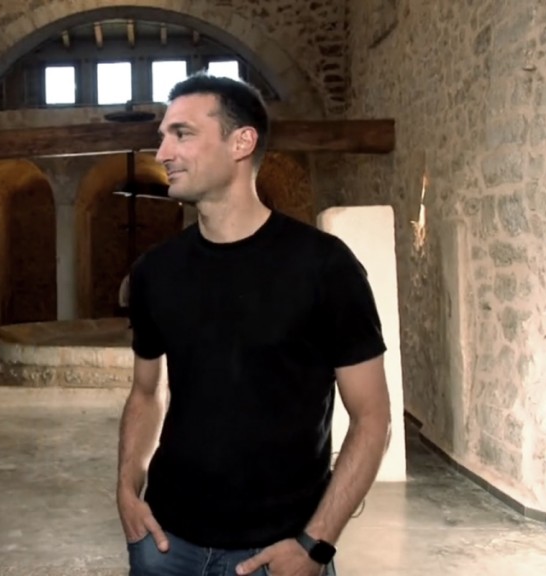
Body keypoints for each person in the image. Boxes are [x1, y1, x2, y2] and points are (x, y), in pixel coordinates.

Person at [116, 73, 392, 576]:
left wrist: (315, 545)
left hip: (278, 552)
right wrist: (127, 488)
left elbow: (372, 417)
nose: (162, 152)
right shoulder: (155, 271)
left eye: (182, 133)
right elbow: (145, 391)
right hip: (165, 544)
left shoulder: (325, 267)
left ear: (242, 142)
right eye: (163, 136)